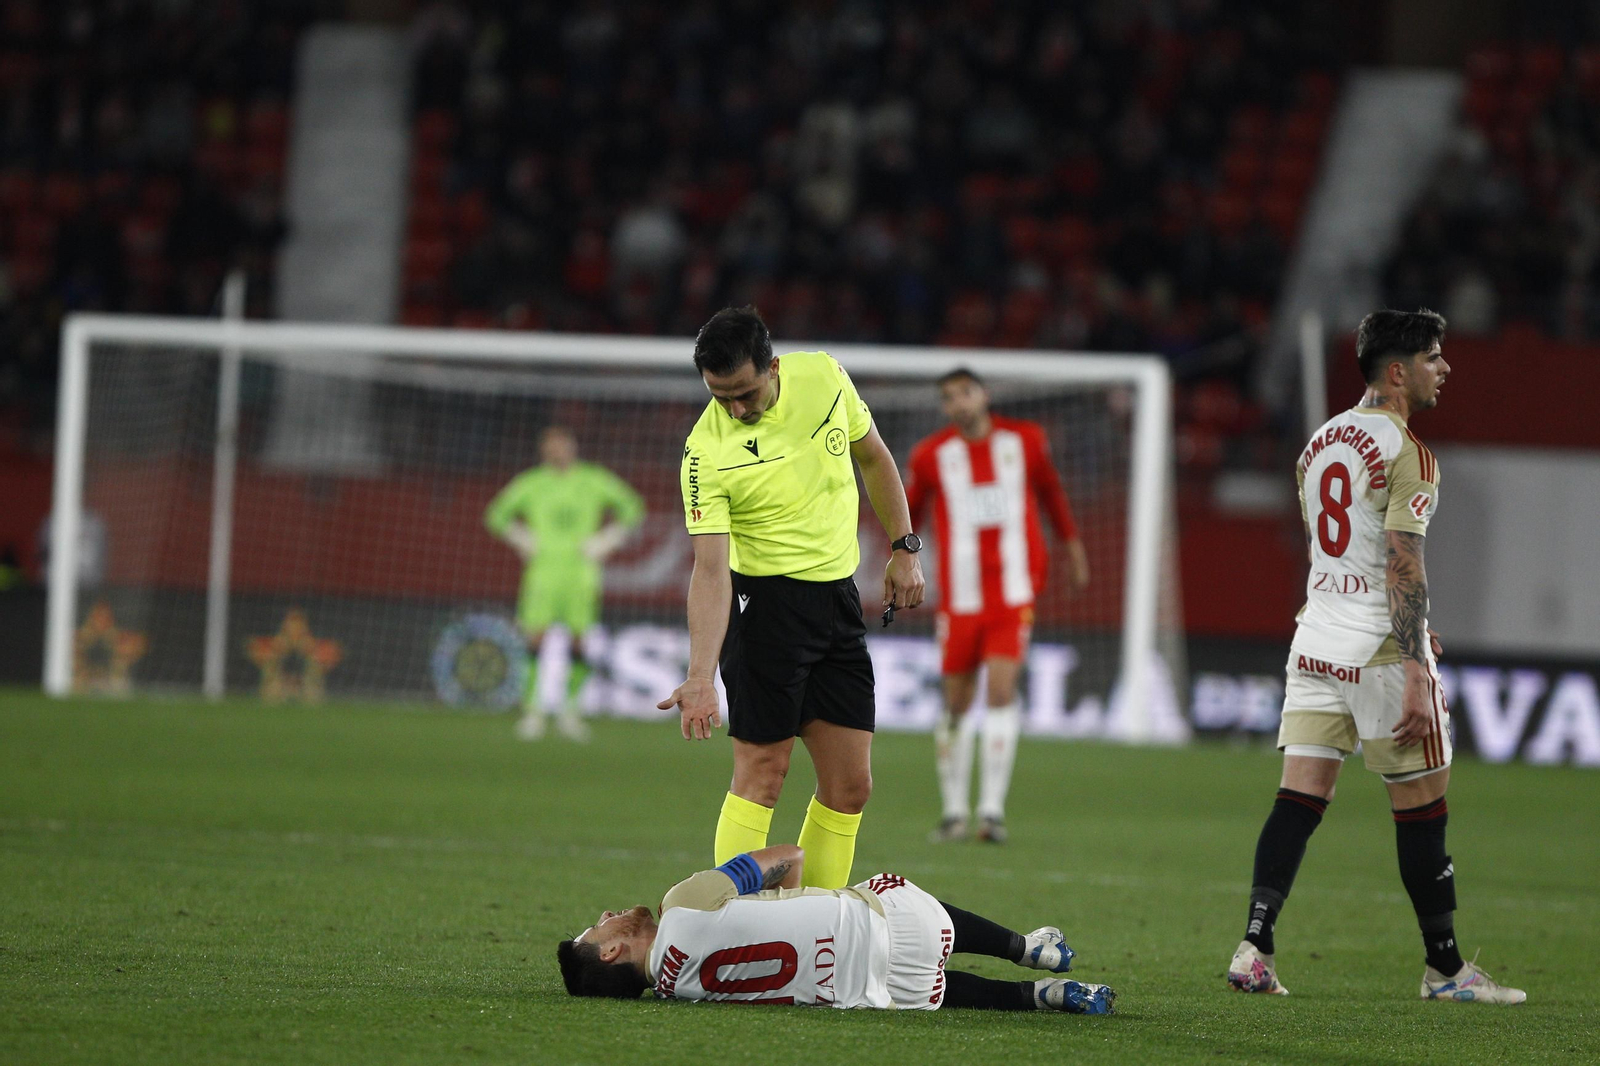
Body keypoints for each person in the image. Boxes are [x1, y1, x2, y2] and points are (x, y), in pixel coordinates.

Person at [1226, 309, 1525, 1004]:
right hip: (1380, 653)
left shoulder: (1320, 441)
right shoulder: (1408, 452)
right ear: (1398, 371)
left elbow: (1340, 551)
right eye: (1433, 357)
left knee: (1299, 798)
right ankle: (1446, 971)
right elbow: (1400, 561)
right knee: (1423, 807)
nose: (1444, 368)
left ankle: (1255, 946)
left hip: (1316, 640)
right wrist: (1416, 659)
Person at [657, 306, 925, 890]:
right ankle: (724, 929)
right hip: (764, 611)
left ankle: (821, 929)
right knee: (763, 773)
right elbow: (708, 572)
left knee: (851, 787)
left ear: (774, 367)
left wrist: (904, 547)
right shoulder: (705, 453)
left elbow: (874, 457)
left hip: (837, 604)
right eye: (720, 396)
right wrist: (700, 674)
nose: (735, 409)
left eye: (745, 393)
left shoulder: (826, 377)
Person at [556, 844, 1116, 1013]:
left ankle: (1041, 996)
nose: (607, 917)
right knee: (886, 892)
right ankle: (1028, 949)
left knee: (927, 989)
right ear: (611, 953)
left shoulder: (679, 992)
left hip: (869, 992)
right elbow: (786, 856)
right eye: (599, 928)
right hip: (884, 922)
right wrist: (792, 896)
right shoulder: (680, 905)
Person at [905, 368, 1089, 844]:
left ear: (983, 395)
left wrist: (1071, 546)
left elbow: (1051, 493)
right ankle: (952, 812)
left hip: (1013, 593)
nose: (959, 403)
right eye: (949, 397)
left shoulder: (1025, 442)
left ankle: (991, 812)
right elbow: (908, 511)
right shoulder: (931, 456)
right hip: (960, 600)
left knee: (1002, 690)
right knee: (956, 703)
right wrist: (899, 557)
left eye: (965, 392)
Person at [485, 426, 644, 741]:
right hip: (543, 572)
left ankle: (570, 711)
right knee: (535, 638)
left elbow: (633, 508)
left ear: (573, 447)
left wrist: (607, 539)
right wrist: (521, 537)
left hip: (581, 573)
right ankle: (533, 711)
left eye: (562, 446)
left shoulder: (593, 480)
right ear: (544, 451)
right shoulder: (531, 483)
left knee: (579, 641)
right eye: (551, 447)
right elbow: (496, 515)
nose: (558, 452)